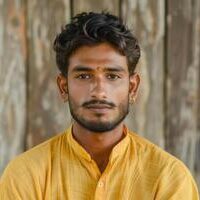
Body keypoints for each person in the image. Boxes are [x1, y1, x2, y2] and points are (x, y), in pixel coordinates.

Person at [0, 12, 199, 200]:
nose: (99, 91)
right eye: (84, 76)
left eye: (112, 76)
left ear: (132, 87)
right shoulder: (25, 176)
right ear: (63, 87)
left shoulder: (169, 178)